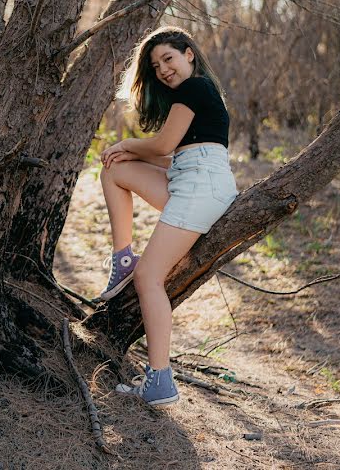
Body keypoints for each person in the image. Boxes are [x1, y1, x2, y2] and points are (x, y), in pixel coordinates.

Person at [98, 26, 238, 406]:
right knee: (113, 171)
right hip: (187, 178)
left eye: (168, 58)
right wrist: (128, 155)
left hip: (202, 186)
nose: (162, 69)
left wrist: (127, 143)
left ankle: (160, 380)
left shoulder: (196, 88)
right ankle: (122, 257)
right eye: (156, 64)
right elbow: (171, 152)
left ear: (189, 54)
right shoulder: (192, 96)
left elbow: (162, 145)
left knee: (150, 277)